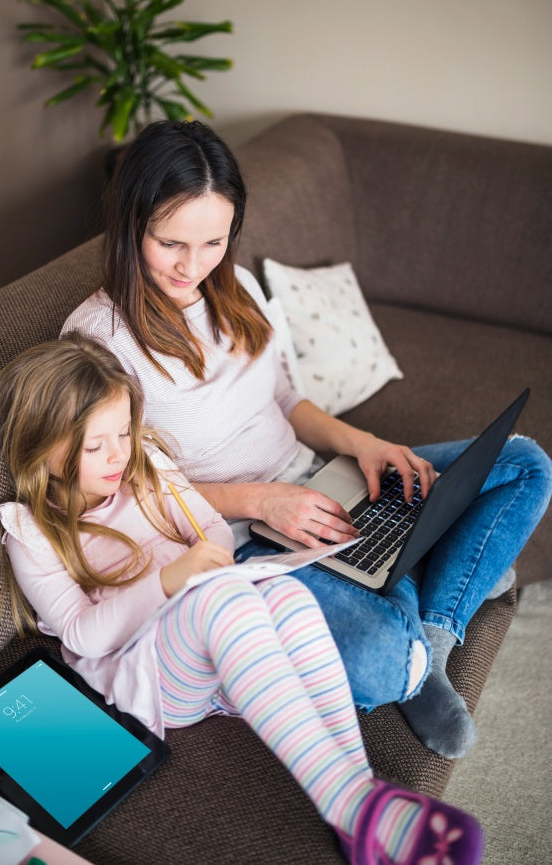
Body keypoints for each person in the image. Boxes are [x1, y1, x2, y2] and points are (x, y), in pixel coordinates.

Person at [62, 120, 552, 759]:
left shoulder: (227, 289)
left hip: (324, 481)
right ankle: (425, 582)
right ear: (131, 226)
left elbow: (287, 400)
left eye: (213, 241)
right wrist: (262, 503)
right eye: (170, 242)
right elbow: (128, 491)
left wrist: (363, 443)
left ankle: (430, 629)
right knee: (380, 661)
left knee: (525, 464)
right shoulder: (98, 340)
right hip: (242, 540)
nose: (193, 265)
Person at [0, 333, 483, 865]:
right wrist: (173, 578)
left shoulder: (145, 465)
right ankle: (354, 803)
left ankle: (355, 805)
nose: (119, 455)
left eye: (123, 433)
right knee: (223, 598)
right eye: (95, 446)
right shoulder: (31, 531)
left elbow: (213, 530)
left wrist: (209, 559)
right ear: (45, 447)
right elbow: (82, 634)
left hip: (216, 642)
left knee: (286, 596)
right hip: (150, 675)